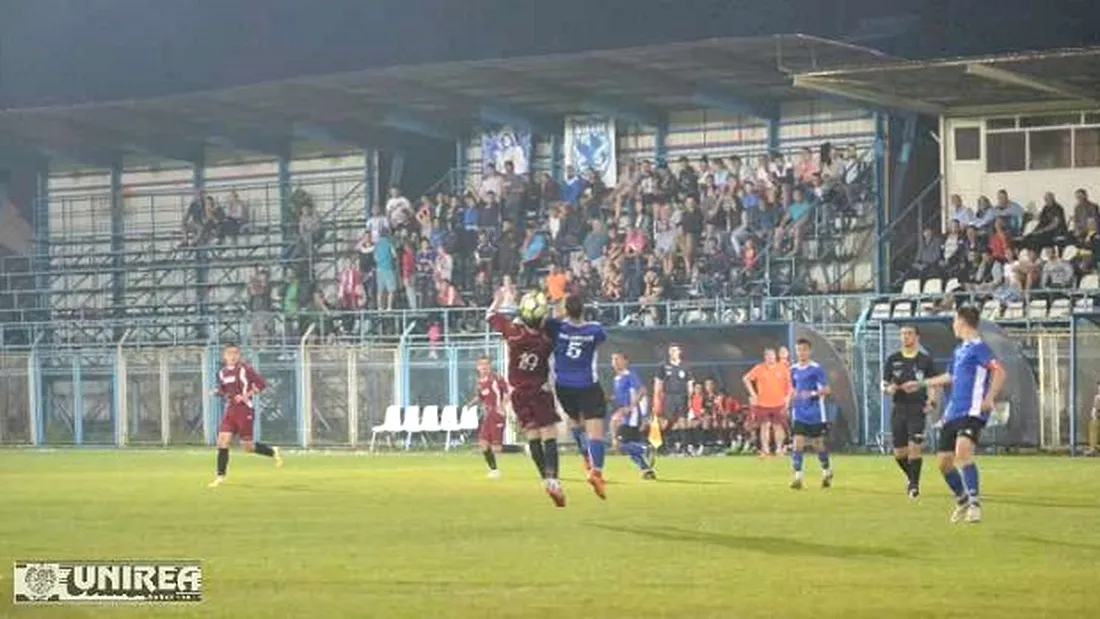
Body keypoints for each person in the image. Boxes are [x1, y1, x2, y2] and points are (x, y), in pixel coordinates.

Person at [903, 306, 1005, 524]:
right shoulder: (959, 350)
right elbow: (950, 377)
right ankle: (962, 499)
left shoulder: (980, 348)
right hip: (954, 411)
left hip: (973, 410)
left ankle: (976, 504)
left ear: (962, 321)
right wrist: (920, 383)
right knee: (943, 463)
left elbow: (999, 371)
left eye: (954, 321)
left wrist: (990, 397)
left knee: (963, 450)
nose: (953, 326)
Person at [486, 292, 566, 507]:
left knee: (532, 436)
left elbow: (490, 315)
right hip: (539, 391)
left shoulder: (513, 334)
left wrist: (500, 298)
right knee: (549, 434)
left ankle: (544, 479)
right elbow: (557, 322)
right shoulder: (546, 339)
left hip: (519, 394)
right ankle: (553, 479)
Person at [544, 294, 609, 499]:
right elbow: (601, 338)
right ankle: (596, 471)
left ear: (565, 310)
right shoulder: (595, 330)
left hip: (564, 387)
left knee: (576, 423)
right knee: (595, 431)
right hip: (588, 385)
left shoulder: (557, 327)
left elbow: (545, 321)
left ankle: (585, 459)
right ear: (583, 309)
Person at [208, 344, 282, 487]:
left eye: (235, 353)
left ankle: (272, 451)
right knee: (222, 441)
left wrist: (246, 395)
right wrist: (216, 391)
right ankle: (220, 476)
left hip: (244, 410)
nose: (233, 356)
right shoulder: (222, 372)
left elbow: (261, 384)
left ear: (239, 355)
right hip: (230, 410)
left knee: (247, 447)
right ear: (224, 356)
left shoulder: (245, 369)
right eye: (230, 353)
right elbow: (223, 388)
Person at [882, 325, 939, 499]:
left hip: (917, 408)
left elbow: (932, 383)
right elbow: (883, 383)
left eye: (909, 333)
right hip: (899, 407)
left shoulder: (925, 360)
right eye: (903, 334)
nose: (906, 337)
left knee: (915, 446)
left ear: (917, 337)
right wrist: (888, 388)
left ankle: (914, 486)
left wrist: (932, 401)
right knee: (899, 454)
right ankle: (911, 477)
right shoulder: (893, 359)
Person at [788, 339, 833, 490]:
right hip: (799, 413)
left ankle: (826, 471)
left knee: (818, 444)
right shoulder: (793, 369)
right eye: (798, 350)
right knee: (797, 443)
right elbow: (794, 390)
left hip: (815, 414)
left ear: (809, 351)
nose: (801, 353)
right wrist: (788, 402)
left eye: (804, 350)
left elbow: (827, 390)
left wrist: (812, 393)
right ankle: (798, 478)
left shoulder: (816, 369)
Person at [610, 352, 656, 480]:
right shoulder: (616, 378)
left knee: (620, 443)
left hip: (632, 416)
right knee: (630, 447)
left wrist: (630, 407)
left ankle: (644, 449)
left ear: (626, 361)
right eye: (613, 359)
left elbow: (642, 390)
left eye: (617, 359)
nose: (614, 362)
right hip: (626, 416)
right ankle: (647, 470)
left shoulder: (629, 375)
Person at [465, 356, 509, 478]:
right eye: (481, 365)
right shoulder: (480, 382)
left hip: (497, 413)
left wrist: (502, 407)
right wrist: (470, 404)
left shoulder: (496, 378)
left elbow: (506, 393)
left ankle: (520, 452)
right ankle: (494, 469)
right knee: (483, 443)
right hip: (488, 414)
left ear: (490, 366)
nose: (484, 367)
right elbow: (480, 397)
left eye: (486, 364)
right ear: (477, 367)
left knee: (496, 446)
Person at [743, 348, 791, 456]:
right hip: (763, 403)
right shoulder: (759, 368)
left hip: (778, 402)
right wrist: (753, 394)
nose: (771, 358)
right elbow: (746, 379)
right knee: (764, 426)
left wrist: (787, 398)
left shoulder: (782, 368)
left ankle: (779, 448)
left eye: (772, 355)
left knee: (778, 426)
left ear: (775, 356)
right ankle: (766, 449)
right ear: (765, 357)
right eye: (768, 356)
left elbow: (790, 384)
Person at [652, 343, 694, 455]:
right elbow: (658, 383)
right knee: (666, 422)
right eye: (671, 350)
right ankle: (661, 446)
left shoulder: (686, 366)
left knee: (683, 421)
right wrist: (657, 398)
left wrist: (690, 396)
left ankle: (684, 448)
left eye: (675, 350)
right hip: (668, 396)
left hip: (682, 395)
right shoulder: (663, 366)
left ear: (680, 352)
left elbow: (690, 382)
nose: (673, 352)